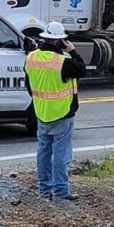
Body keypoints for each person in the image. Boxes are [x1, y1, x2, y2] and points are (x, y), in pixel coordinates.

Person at [24, 22, 87, 201]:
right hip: (62, 113)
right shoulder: (63, 62)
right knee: (61, 153)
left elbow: (29, 86)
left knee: (43, 151)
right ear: (61, 41)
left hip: (41, 112)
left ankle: (44, 190)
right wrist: (73, 50)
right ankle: (60, 192)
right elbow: (81, 69)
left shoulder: (31, 58)